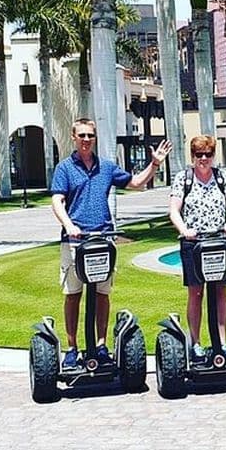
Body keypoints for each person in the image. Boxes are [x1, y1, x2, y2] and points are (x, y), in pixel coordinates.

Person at [51, 118, 172, 369]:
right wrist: (69, 225)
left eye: (90, 136)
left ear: (95, 138)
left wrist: (155, 163)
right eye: (82, 135)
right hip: (75, 241)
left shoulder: (106, 167)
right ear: (74, 137)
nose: (86, 140)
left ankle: (102, 345)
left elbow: (136, 184)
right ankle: (72, 348)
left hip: (103, 240)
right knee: (73, 295)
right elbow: (57, 201)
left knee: (102, 294)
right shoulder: (64, 168)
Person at [169, 135, 226, 363]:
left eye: (208, 154)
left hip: (218, 241)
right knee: (196, 292)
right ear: (193, 156)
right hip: (193, 243)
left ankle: (222, 341)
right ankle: (196, 344)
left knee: (220, 290)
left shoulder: (221, 177)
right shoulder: (184, 178)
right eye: (199, 154)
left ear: (213, 156)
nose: (203, 159)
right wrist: (184, 229)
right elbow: (174, 210)